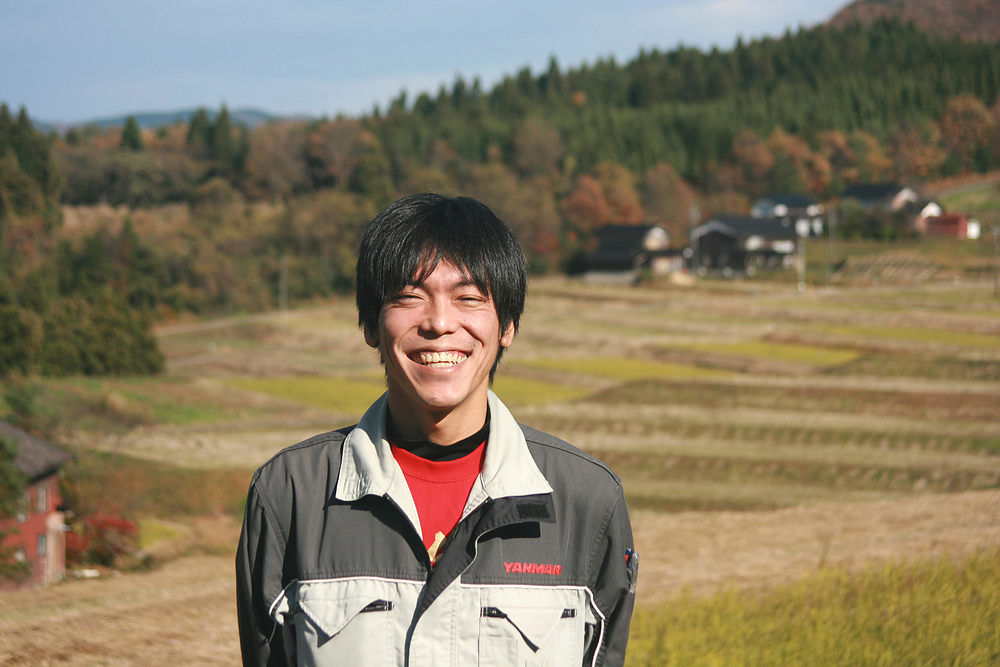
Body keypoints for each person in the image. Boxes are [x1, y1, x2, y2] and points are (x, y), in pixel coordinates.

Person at [236, 193, 637, 667]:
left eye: (468, 298)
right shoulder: (291, 495)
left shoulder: (586, 501)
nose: (440, 323)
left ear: (507, 324)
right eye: (409, 297)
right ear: (370, 324)